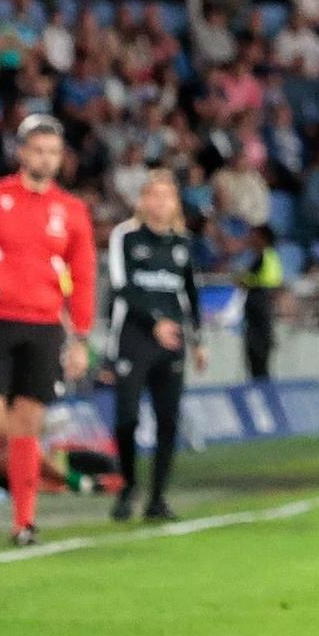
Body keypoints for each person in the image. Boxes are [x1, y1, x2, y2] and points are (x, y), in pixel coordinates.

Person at [0, 114, 95, 546]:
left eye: (53, 152)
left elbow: (82, 276)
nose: (46, 158)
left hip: (44, 327)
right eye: (38, 149)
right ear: (22, 152)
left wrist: (80, 337)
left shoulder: (72, 211)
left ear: (61, 158)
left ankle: (24, 521)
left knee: (28, 423)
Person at [106, 171, 207, 523]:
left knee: (169, 419)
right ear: (143, 200)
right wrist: (155, 322)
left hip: (173, 342)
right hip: (134, 337)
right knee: (127, 417)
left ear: (175, 202)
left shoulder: (182, 243)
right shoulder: (126, 237)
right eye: (154, 194)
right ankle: (128, 484)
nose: (160, 202)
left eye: (167, 196)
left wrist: (199, 340)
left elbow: (190, 292)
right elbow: (122, 286)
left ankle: (158, 497)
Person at [238, 225, 283, 379]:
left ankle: (262, 392)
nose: (250, 239)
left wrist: (242, 279)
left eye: (254, 235)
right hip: (260, 306)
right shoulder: (267, 256)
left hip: (259, 304)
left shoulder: (265, 256)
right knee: (258, 359)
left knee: (258, 357)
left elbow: (253, 279)